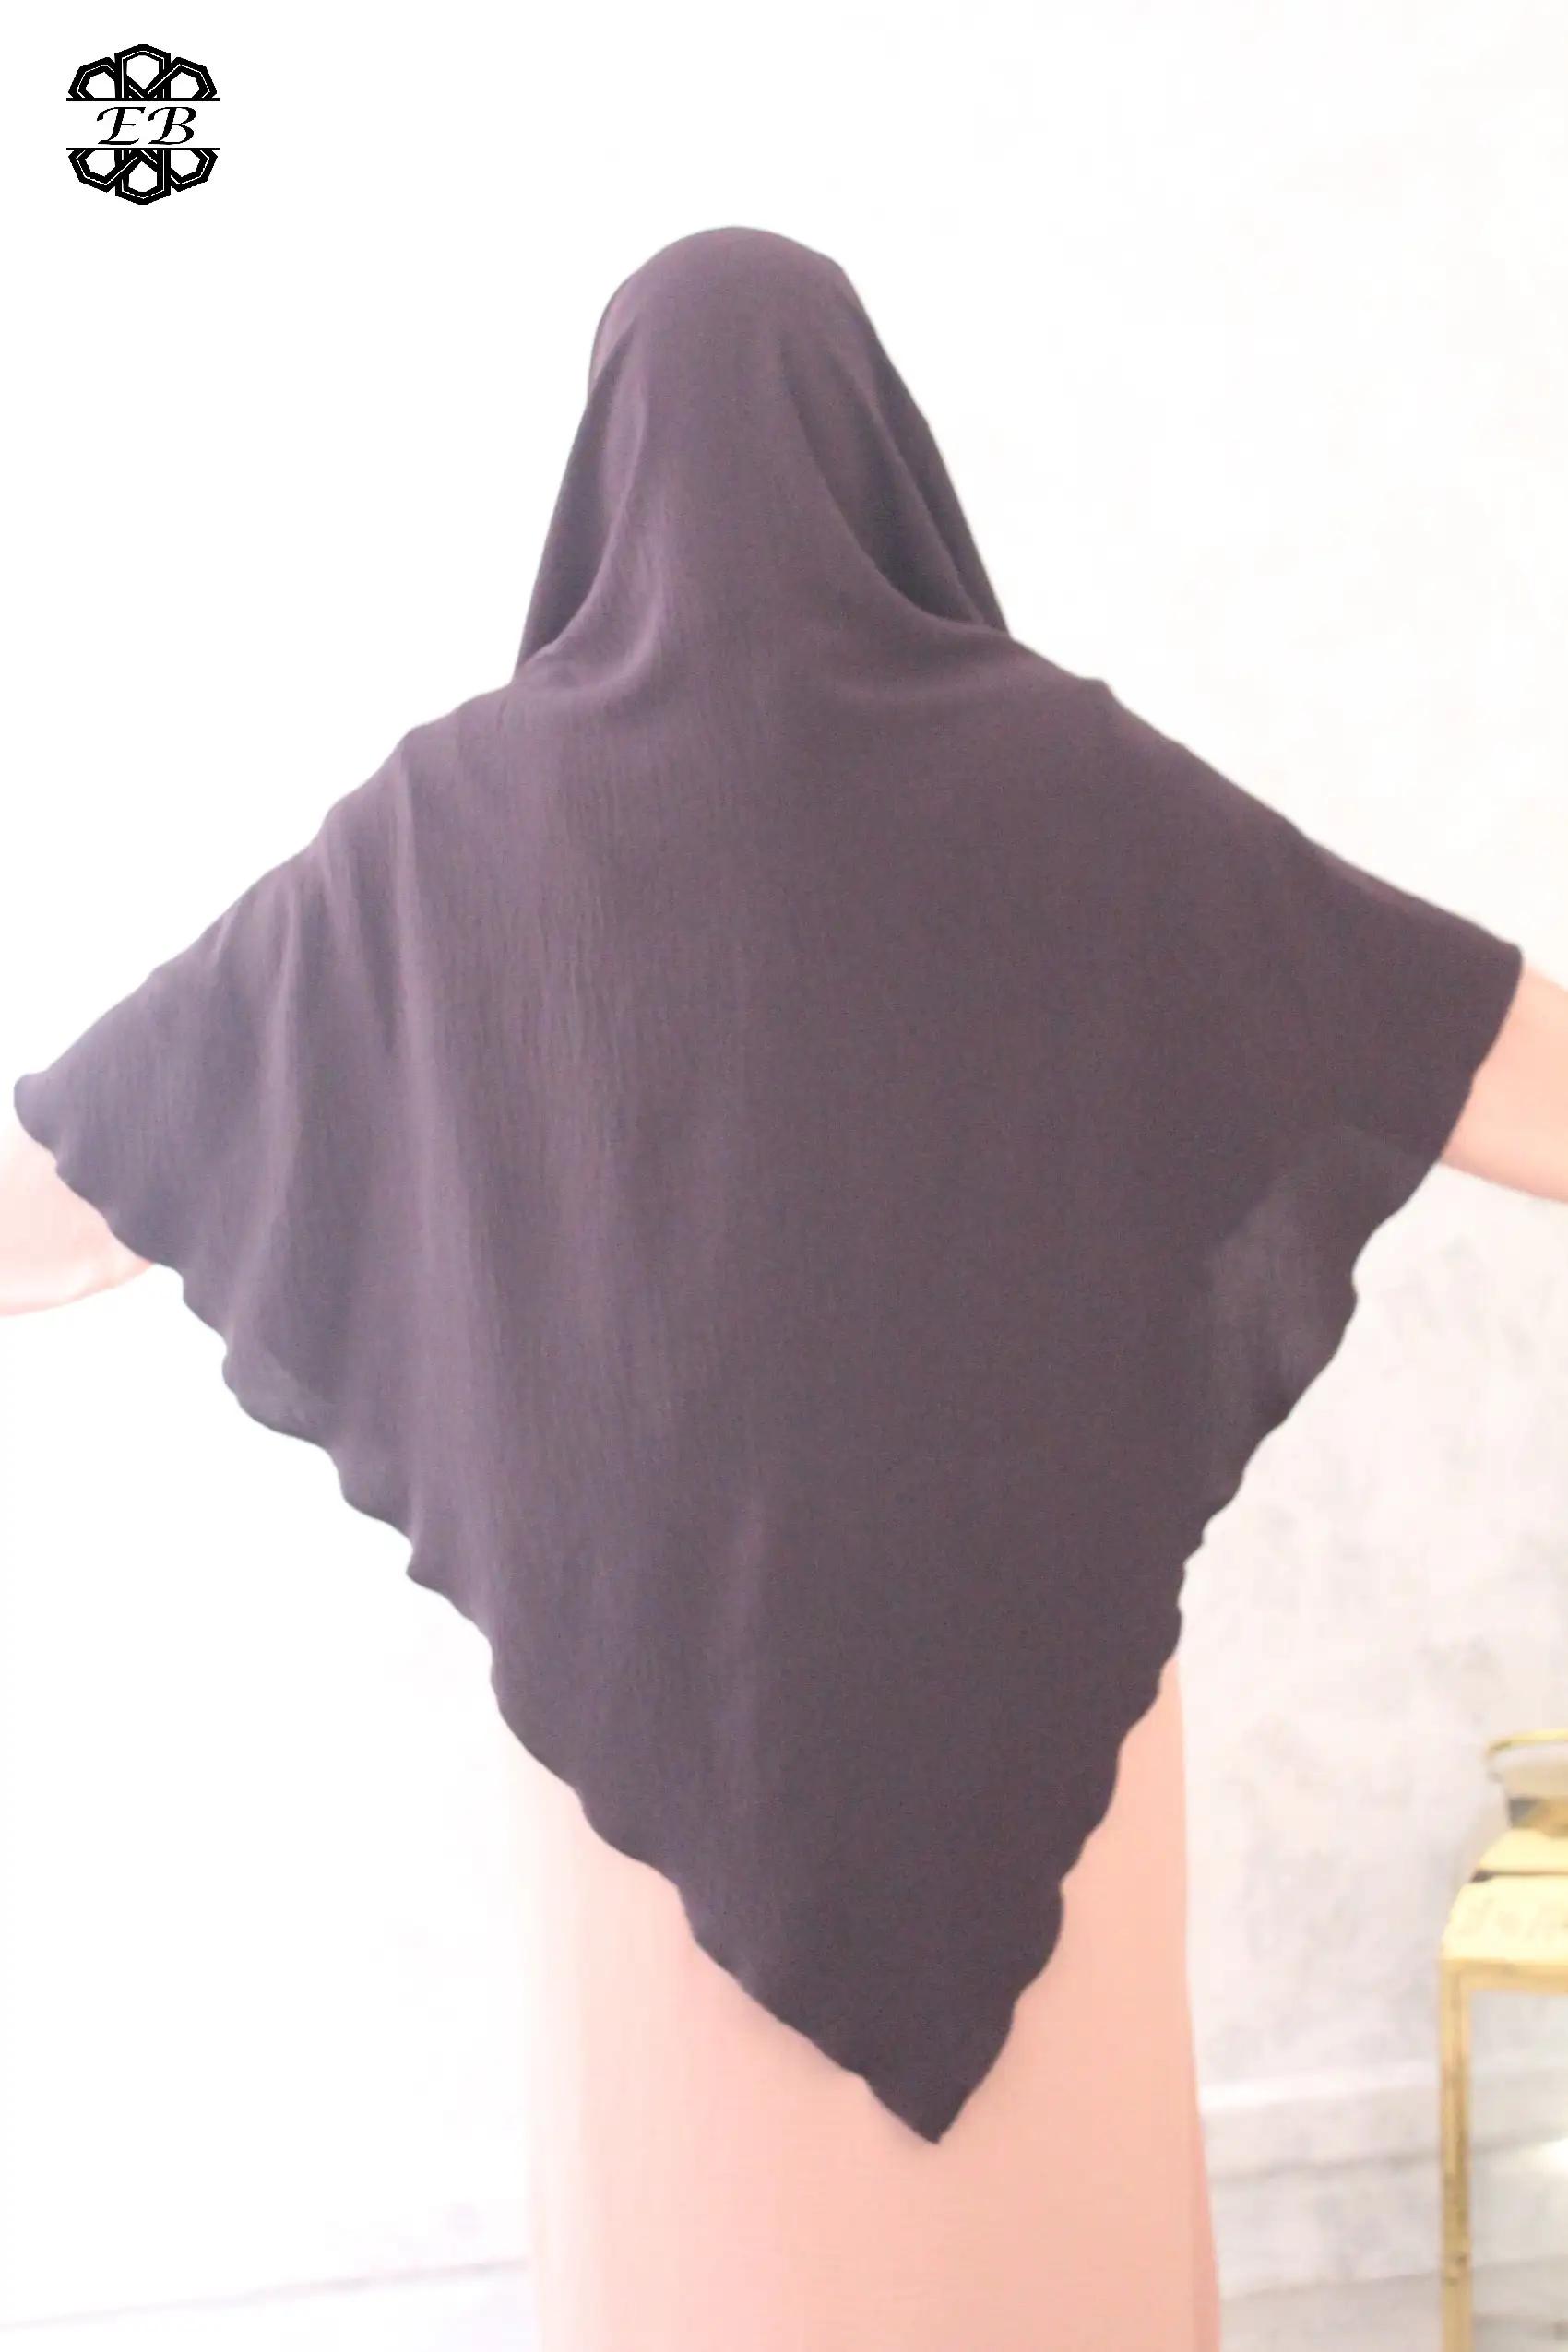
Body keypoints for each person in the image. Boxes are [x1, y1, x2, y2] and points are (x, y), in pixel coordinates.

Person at [3, 225, 1565, 2352]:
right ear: (875, 451)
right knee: (1049, 2227)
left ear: (606, 469)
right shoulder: (1060, 776)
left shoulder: (457, 816)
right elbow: (1408, 1011)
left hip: (647, 1687)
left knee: (700, 2240)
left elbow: (133, 1120)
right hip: (1031, 1641)